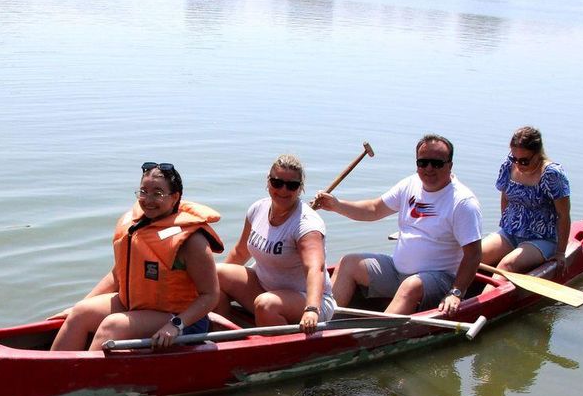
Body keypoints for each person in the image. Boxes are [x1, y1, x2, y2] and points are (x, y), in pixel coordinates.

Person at [50, 162, 223, 352]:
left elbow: (211, 295)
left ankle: (85, 379)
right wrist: (78, 305)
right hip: (135, 306)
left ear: (175, 197)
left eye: (157, 193)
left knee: (113, 325)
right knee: (80, 313)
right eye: (143, 191)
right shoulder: (136, 226)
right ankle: (52, 372)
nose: (148, 200)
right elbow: (117, 274)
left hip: (179, 318)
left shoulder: (192, 241)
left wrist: (176, 325)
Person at [312, 134, 483, 317]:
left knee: (410, 286)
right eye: (423, 163)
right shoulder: (410, 184)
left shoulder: (463, 202)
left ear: (450, 165)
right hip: (397, 269)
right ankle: (325, 323)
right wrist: (336, 205)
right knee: (348, 262)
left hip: (439, 279)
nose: (429, 168)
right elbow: (374, 209)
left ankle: (373, 336)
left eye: (437, 163)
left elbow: (473, 255)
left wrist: (456, 292)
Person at [215, 154, 335, 335]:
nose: (284, 190)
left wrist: (311, 309)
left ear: (300, 188)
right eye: (277, 183)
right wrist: (208, 290)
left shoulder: (307, 224)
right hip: (265, 287)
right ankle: (221, 337)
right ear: (268, 181)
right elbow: (240, 252)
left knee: (266, 304)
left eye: (292, 185)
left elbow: (315, 268)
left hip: (309, 300)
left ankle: (276, 352)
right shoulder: (258, 209)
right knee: (216, 274)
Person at [480, 126, 571, 274]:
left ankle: (491, 296)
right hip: (510, 233)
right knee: (471, 257)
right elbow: (505, 197)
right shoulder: (508, 166)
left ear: (538, 154)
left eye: (524, 161)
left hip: (542, 238)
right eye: (514, 158)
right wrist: (506, 223)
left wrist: (561, 253)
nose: (518, 164)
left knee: (506, 265)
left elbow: (564, 215)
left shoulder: (552, 174)